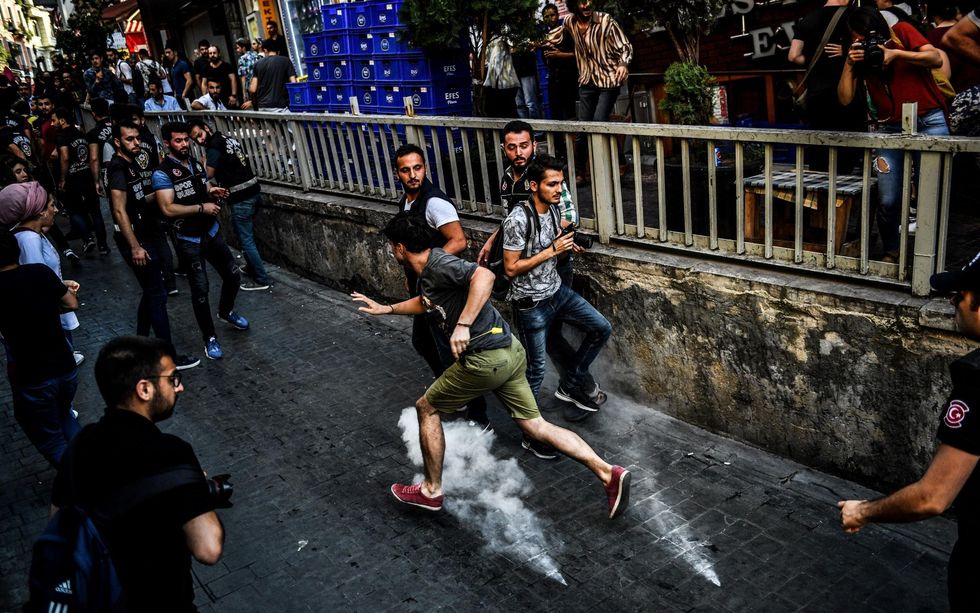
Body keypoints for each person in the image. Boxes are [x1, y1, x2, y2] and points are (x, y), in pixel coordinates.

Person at [352, 212, 631, 519]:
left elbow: (484, 276)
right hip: (509, 352)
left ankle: (431, 491)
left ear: (400, 248)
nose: (393, 252)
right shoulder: (430, 273)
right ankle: (608, 473)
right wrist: (387, 309)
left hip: (485, 359)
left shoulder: (439, 264)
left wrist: (464, 324)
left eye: (393, 247)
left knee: (426, 408)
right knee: (536, 427)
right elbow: (427, 302)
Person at [838, 252, 980, 612]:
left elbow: (931, 498)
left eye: (960, 294)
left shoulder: (978, 383)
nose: (953, 301)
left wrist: (864, 511)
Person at [51, 335, 225, 611]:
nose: (179, 388)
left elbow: (59, 523)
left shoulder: (80, 445)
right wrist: (198, 490)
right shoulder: (172, 453)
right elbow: (208, 548)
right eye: (173, 379)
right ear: (144, 389)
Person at [478, 122, 603, 423]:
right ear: (504, 149)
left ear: (533, 144)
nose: (518, 152)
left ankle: (580, 387)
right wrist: (494, 240)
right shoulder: (508, 179)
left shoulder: (545, 175)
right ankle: (579, 389)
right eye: (512, 147)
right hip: (527, 279)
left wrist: (547, 243)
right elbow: (510, 220)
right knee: (549, 339)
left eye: (524, 145)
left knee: (555, 336)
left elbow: (569, 215)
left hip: (555, 268)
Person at [502, 155, 612, 420]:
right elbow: (511, 268)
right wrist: (551, 250)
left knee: (601, 328)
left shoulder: (553, 210)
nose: (558, 190)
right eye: (551, 184)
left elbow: (554, 254)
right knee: (536, 370)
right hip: (531, 304)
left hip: (557, 292)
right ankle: (528, 428)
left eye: (560, 184)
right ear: (533, 186)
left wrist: (566, 248)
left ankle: (570, 383)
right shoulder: (517, 221)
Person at [837, 7, 947, 263]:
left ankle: (928, 257)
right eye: (858, 38)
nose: (865, 42)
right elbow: (844, 99)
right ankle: (892, 252)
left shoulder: (901, 33)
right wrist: (849, 63)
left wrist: (895, 54)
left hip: (929, 120)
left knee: (930, 195)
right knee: (888, 199)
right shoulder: (857, 55)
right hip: (888, 128)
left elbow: (936, 59)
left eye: (868, 36)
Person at [152, 122, 248, 360]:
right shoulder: (162, 173)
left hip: (211, 232)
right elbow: (167, 208)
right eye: (178, 141)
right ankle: (210, 338)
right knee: (201, 290)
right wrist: (200, 207)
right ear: (166, 143)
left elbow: (202, 185)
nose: (185, 144)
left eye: (186, 140)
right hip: (189, 239)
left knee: (233, 275)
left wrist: (211, 191)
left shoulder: (195, 163)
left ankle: (226, 311)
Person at [107, 121, 199, 370]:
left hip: (143, 234)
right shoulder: (117, 168)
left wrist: (161, 196)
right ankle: (165, 358)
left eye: (137, 138)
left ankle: (140, 346)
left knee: (151, 292)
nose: (136, 143)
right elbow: (118, 210)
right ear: (117, 142)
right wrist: (136, 246)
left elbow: (137, 200)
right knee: (157, 294)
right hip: (136, 239)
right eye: (129, 139)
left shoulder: (131, 164)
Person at [0, 228, 80, 466]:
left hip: (32, 376)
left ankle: (80, 484)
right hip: (65, 367)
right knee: (64, 415)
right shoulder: (39, 272)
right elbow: (71, 303)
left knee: (50, 439)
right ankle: (89, 468)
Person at [0, 182, 86, 367]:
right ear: (40, 211)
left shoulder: (34, 234)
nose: (55, 210)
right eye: (51, 206)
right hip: (48, 320)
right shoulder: (29, 239)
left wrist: (61, 283)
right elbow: (37, 282)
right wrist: (60, 292)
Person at [546, 0, 632, 184]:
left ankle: (614, 166)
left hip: (609, 79)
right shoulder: (570, 22)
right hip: (586, 80)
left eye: (589, 0)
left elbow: (624, 45)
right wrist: (537, 43)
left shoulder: (605, 20)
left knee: (599, 122)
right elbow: (557, 35)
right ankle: (580, 172)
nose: (586, 5)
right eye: (581, 2)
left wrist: (623, 64)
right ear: (573, 4)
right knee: (582, 128)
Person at [188, 118, 271, 291]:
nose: (199, 140)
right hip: (253, 189)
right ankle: (251, 267)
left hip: (241, 196)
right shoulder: (226, 138)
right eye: (195, 139)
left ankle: (262, 279)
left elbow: (208, 174)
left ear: (206, 128)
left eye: (200, 135)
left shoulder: (214, 147)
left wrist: (203, 163)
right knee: (244, 234)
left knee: (245, 238)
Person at [788, 0, 867, 173]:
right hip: (846, 94)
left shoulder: (807, 19)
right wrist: (845, 51)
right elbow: (867, 46)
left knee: (820, 150)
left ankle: (822, 195)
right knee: (848, 153)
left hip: (816, 95)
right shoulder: (852, 16)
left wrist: (812, 61)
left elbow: (793, 56)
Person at [52, 107, 108, 256]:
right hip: (87, 176)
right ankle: (103, 245)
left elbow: (64, 157)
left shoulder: (62, 136)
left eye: (54, 120)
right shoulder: (81, 134)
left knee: (75, 210)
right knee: (95, 212)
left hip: (73, 179)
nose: (52, 124)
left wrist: (63, 178)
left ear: (62, 120)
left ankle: (87, 238)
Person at [541, 3, 578, 121]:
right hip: (553, 77)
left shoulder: (566, 31)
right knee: (555, 112)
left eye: (552, 15)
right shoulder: (544, 36)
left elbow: (577, 54)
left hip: (568, 76)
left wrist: (560, 54)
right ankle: (559, 139)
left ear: (557, 15)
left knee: (570, 110)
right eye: (546, 16)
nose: (550, 19)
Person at [244, 41, 296, 112]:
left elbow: (253, 89)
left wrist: (253, 103)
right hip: (280, 107)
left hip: (262, 107)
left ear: (265, 50)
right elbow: (294, 83)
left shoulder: (257, 64)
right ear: (278, 51)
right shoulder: (285, 61)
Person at [164, 43, 194, 109]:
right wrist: (175, 94)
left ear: (175, 53)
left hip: (186, 96)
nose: (167, 55)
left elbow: (189, 80)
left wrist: (184, 94)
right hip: (178, 96)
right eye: (166, 53)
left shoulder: (182, 64)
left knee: (191, 115)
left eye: (169, 52)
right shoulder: (172, 67)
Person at [235, 38, 260, 105]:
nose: (237, 50)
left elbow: (243, 77)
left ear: (243, 48)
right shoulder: (257, 55)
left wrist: (244, 94)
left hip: (250, 87)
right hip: (259, 84)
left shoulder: (242, 59)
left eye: (238, 48)